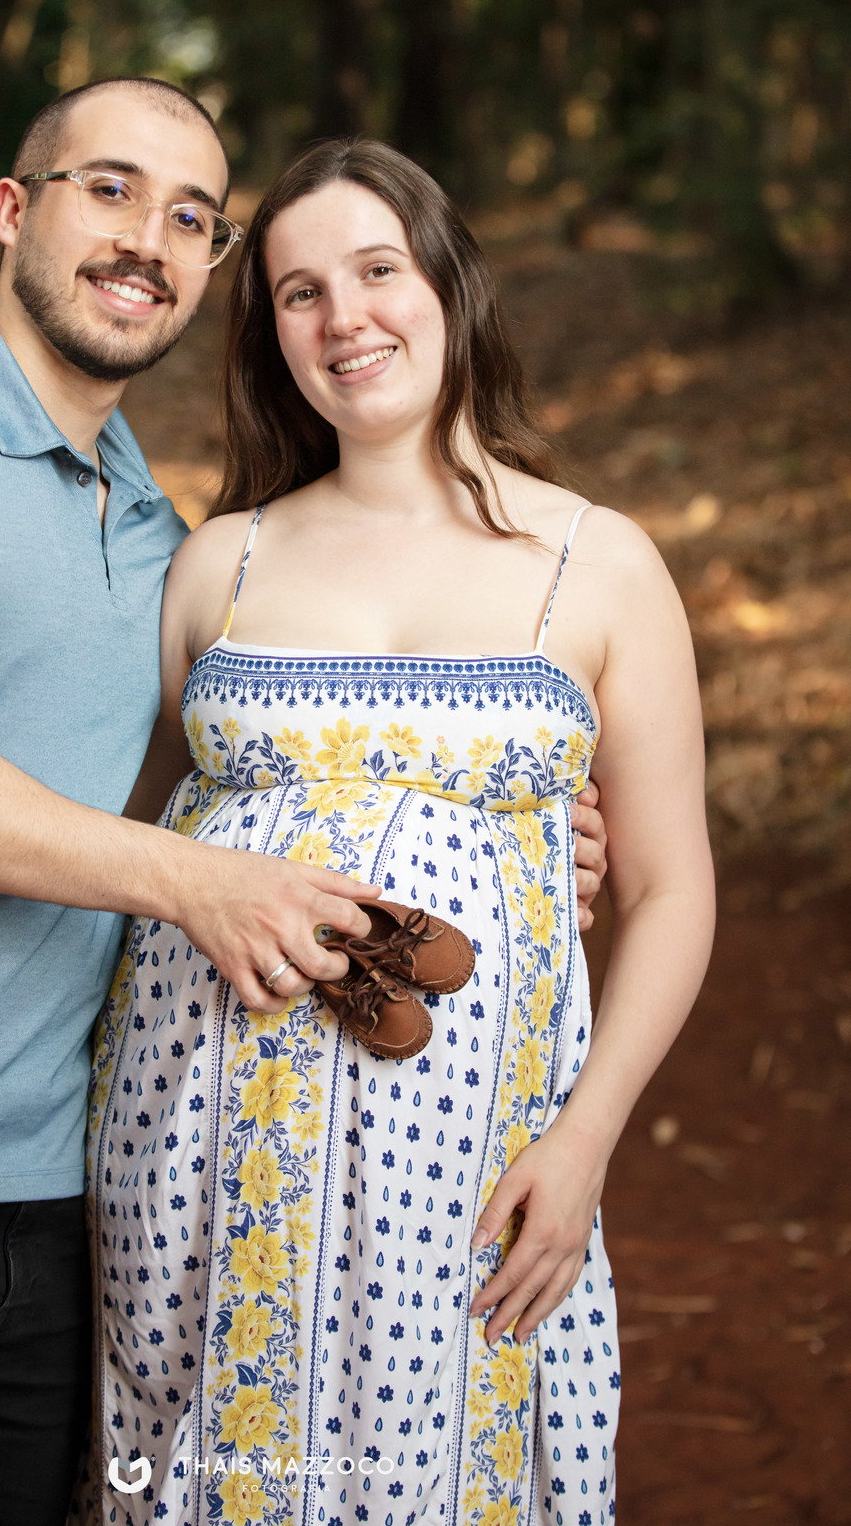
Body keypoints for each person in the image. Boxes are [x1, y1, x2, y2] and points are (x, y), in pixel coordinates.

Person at [0, 80, 606, 1526]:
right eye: (109, 189)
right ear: (14, 209)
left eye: (189, 218)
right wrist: (197, 889)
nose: (146, 239)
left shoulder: (170, 540)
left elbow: (220, 791)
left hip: (69, 1193)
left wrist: (507, 839)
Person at [84, 139, 714, 1526]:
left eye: (377, 270)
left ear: (448, 285)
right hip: (198, 1155)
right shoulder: (220, 561)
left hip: (470, 1168)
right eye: (299, 293)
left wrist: (588, 1137)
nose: (343, 317)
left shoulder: (595, 564)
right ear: (272, 341)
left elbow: (669, 890)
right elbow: (145, 842)